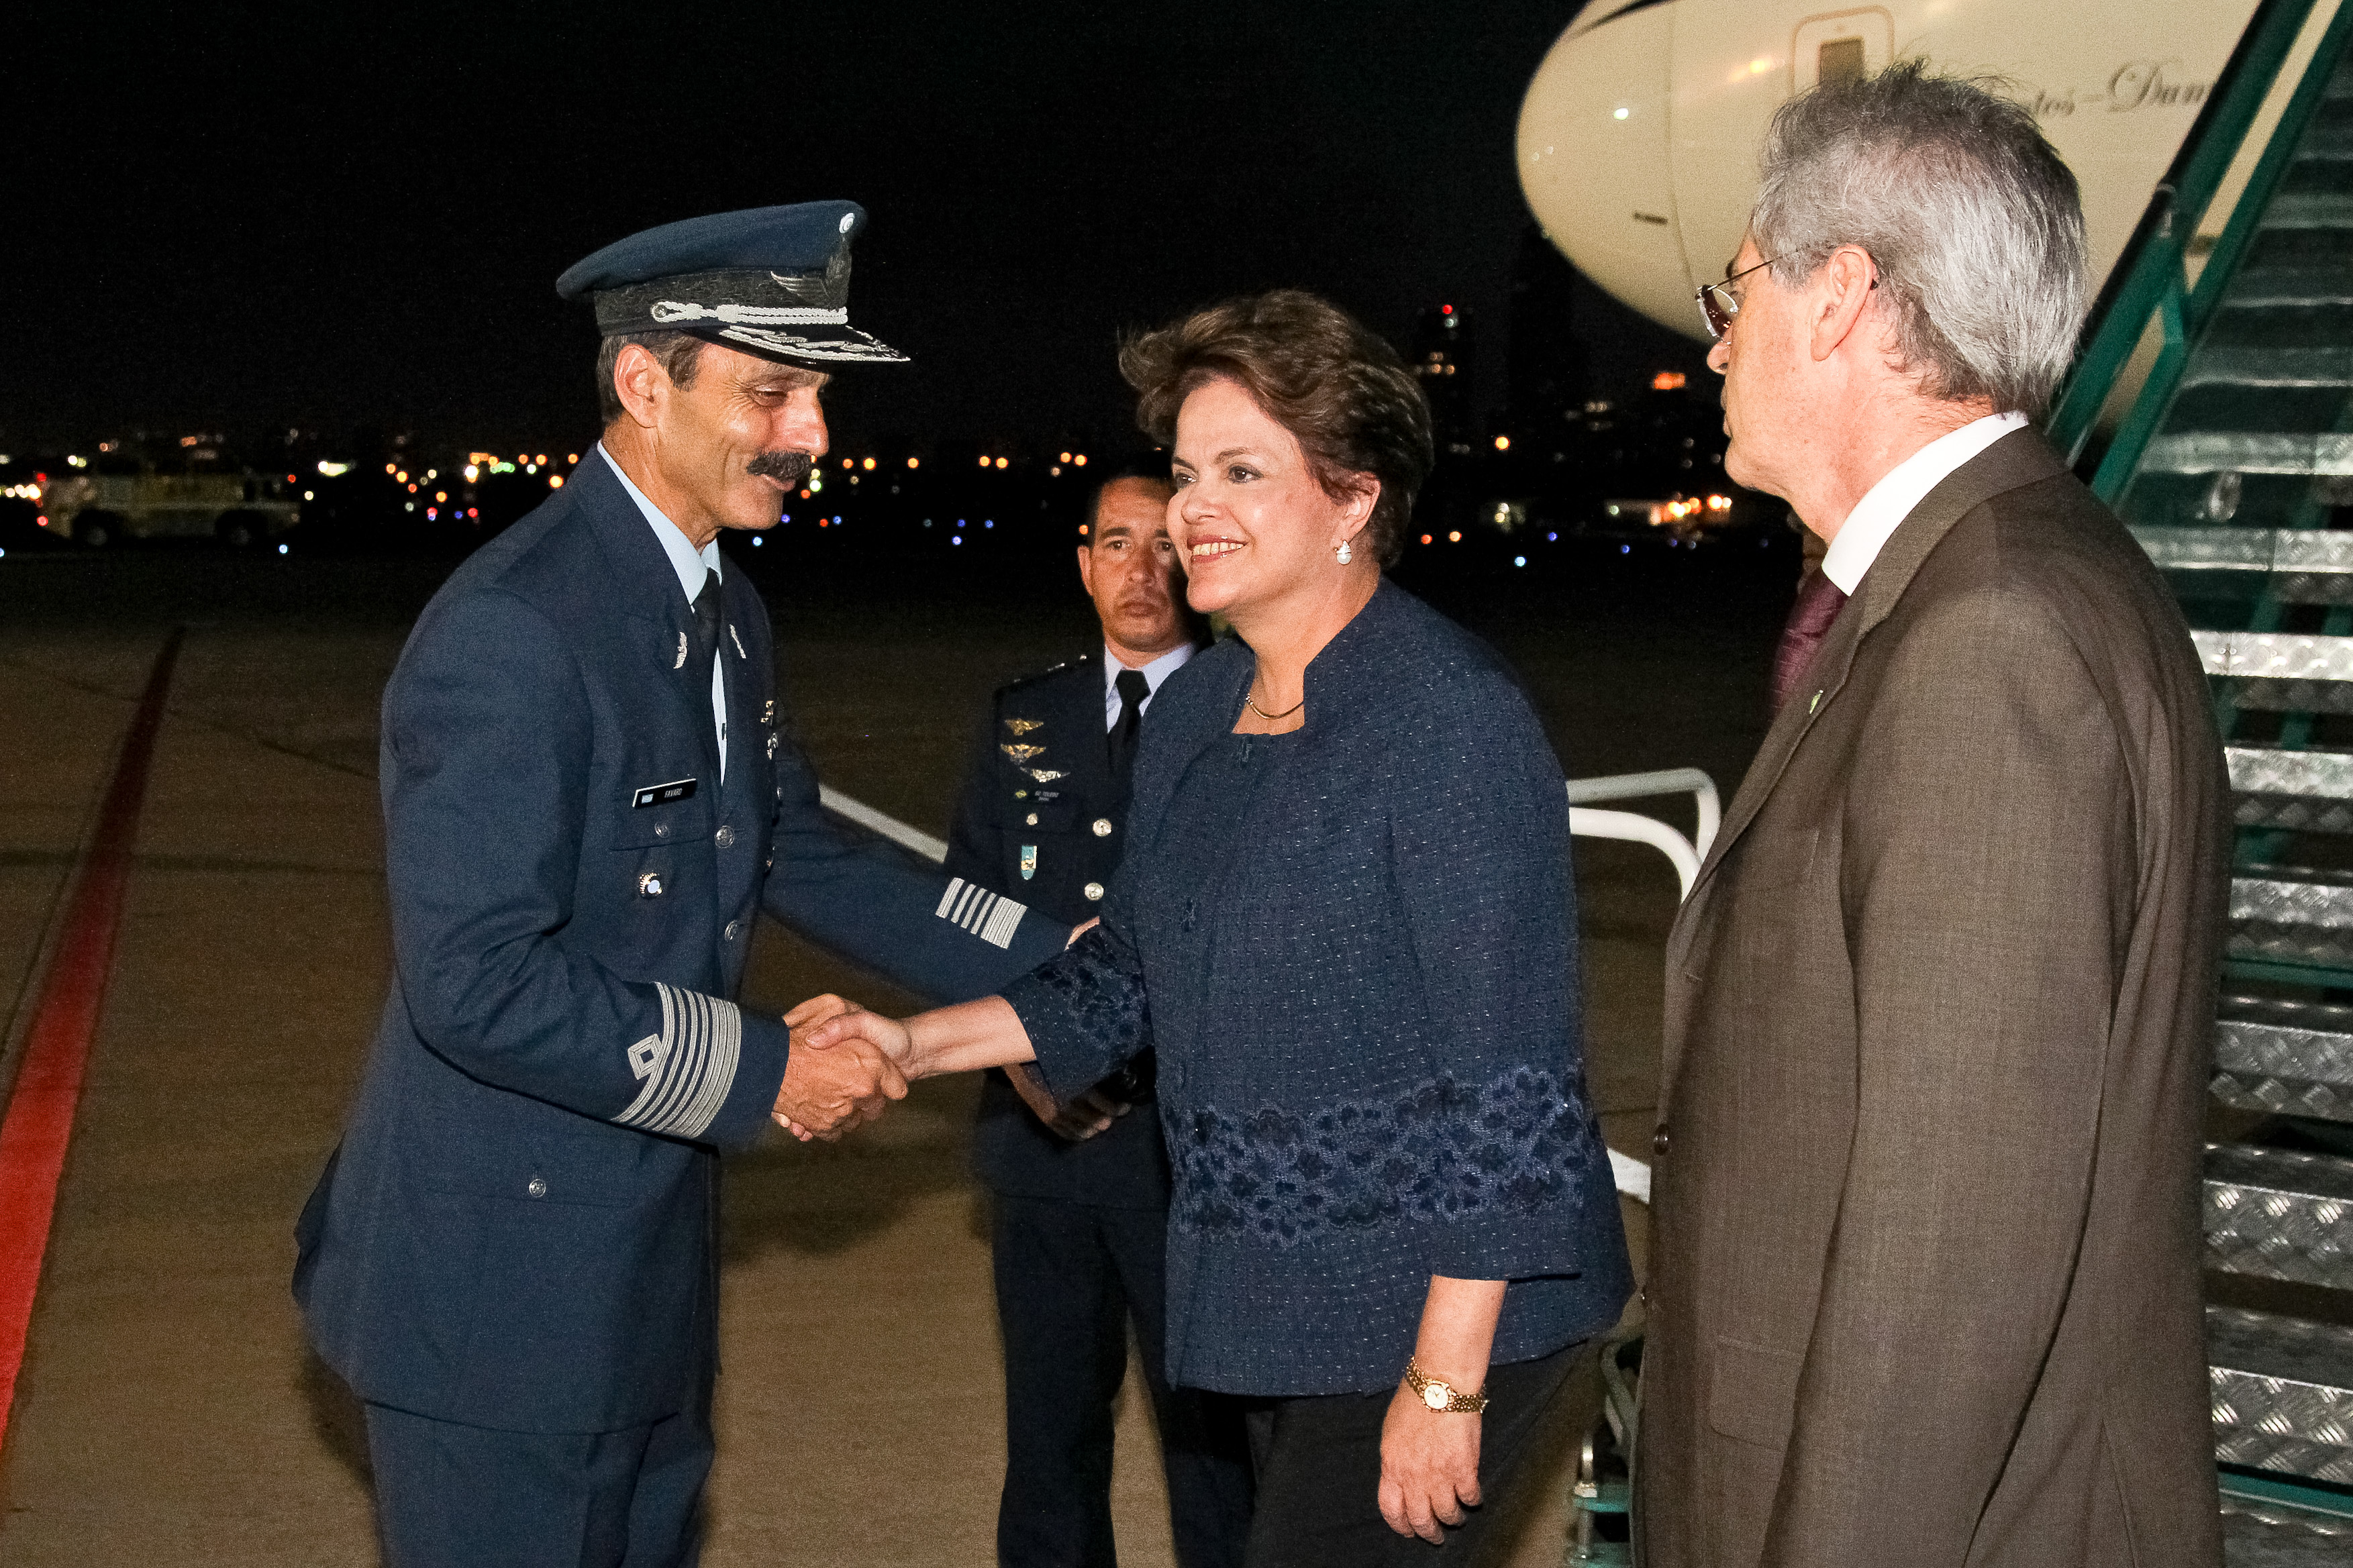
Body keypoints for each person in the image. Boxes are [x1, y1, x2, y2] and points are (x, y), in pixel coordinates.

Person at [291, 201, 1070, 1568]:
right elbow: (475, 976)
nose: (812, 434)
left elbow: (795, 844)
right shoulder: (517, 628)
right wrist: (768, 1065)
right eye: (773, 389)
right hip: (495, 1295)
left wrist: (1059, 954)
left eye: (818, 394)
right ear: (646, 383)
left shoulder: (721, 607)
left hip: (638, 1261)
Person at [803, 290, 1634, 1567]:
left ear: (1354, 501)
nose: (1193, 508)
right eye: (1189, 471)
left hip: (1445, 1297)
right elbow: (1124, 973)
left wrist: (1445, 1383)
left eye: (1242, 471)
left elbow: (1510, 1083)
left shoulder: (1445, 721)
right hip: (1279, 1293)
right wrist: (906, 1044)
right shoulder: (1203, 713)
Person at [1639, 64, 2227, 1568]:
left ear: (1839, 298)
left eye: (1738, 288)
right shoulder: (2004, 573)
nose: (1718, 341)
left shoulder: (1990, 637)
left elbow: (1949, 1252)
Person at [944, 466, 1253, 1568]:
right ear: (1083, 564)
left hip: (1188, 1149)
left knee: (1213, 1450)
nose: (1142, 570)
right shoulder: (1025, 715)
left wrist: (1124, 1069)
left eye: (1165, 544)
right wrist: (1040, 1067)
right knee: (1049, 1441)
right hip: (1043, 1137)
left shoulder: (1249, 707)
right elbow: (969, 908)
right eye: (1115, 543)